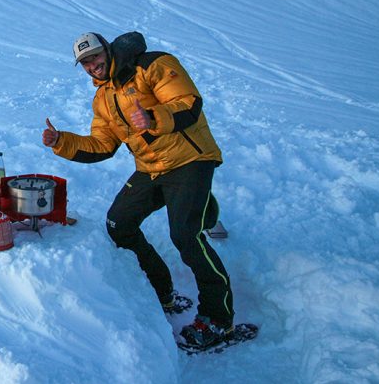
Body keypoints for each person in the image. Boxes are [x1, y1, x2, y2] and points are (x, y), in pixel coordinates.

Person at [42, 31, 235, 349]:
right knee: (119, 223)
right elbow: (103, 145)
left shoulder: (152, 65)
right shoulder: (103, 98)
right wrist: (61, 141)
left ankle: (219, 319)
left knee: (185, 235)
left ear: (107, 49)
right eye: (85, 62)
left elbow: (188, 103)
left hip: (190, 159)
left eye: (95, 56)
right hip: (151, 168)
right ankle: (162, 292)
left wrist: (153, 117)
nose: (92, 65)